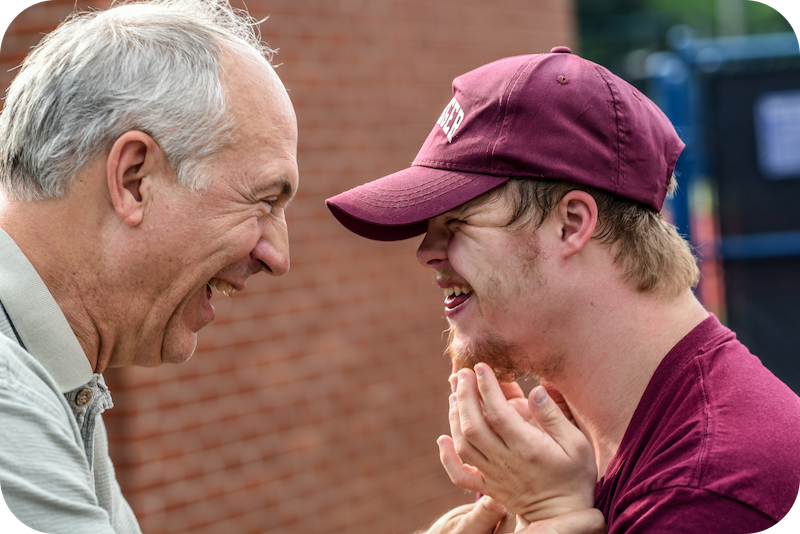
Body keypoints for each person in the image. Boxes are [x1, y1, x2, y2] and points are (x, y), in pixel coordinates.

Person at [327, 47, 800, 533]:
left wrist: (551, 517)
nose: (426, 252)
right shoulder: (571, 445)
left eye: (458, 222)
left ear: (571, 225)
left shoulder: (709, 492)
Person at [0, 0, 298, 532]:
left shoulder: (56, 376)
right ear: (134, 179)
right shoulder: (9, 394)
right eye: (263, 201)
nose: (277, 256)